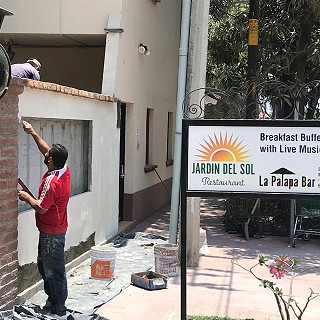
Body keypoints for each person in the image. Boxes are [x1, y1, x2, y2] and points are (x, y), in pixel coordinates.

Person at [18, 121, 70, 319]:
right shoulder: (63, 169)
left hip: (51, 233)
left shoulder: (53, 182)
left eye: (47, 156)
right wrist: (32, 132)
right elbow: (47, 150)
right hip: (55, 228)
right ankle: (53, 301)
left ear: (51, 161)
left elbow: (41, 208)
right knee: (45, 265)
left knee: (53, 271)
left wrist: (26, 197)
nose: (45, 154)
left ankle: (58, 308)